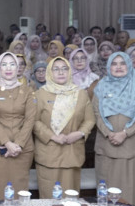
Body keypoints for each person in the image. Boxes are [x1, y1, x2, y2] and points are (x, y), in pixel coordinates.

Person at [93, 52, 135, 206]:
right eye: (114, 63)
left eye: (122, 63)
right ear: (108, 66)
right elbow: (96, 113)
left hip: (131, 147)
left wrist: (125, 133)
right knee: (106, 190)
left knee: (131, 190)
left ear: (129, 65)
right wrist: (109, 133)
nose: (118, 67)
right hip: (107, 145)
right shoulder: (101, 86)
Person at [33, 57, 95, 198]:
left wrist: (79, 133)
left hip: (72, 151)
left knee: (70, 201)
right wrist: (53, 136)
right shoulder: (40, 94)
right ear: (50, 72)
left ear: (70, 71)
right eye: (56, 69)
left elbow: (90, 119)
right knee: (49, 201)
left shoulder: (80, 94)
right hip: (49, 152)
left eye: (64, 68)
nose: (61, 72)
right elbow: (34, 121)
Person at [0, 52, 36, 199]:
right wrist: (7, 143)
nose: (8, 68)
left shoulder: (28, 90)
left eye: (12, 64)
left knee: (20, 192)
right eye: (4, 64)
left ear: (18, 68)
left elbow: (30, 119)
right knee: (0, 191)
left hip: (22, 148)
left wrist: (17, 144)